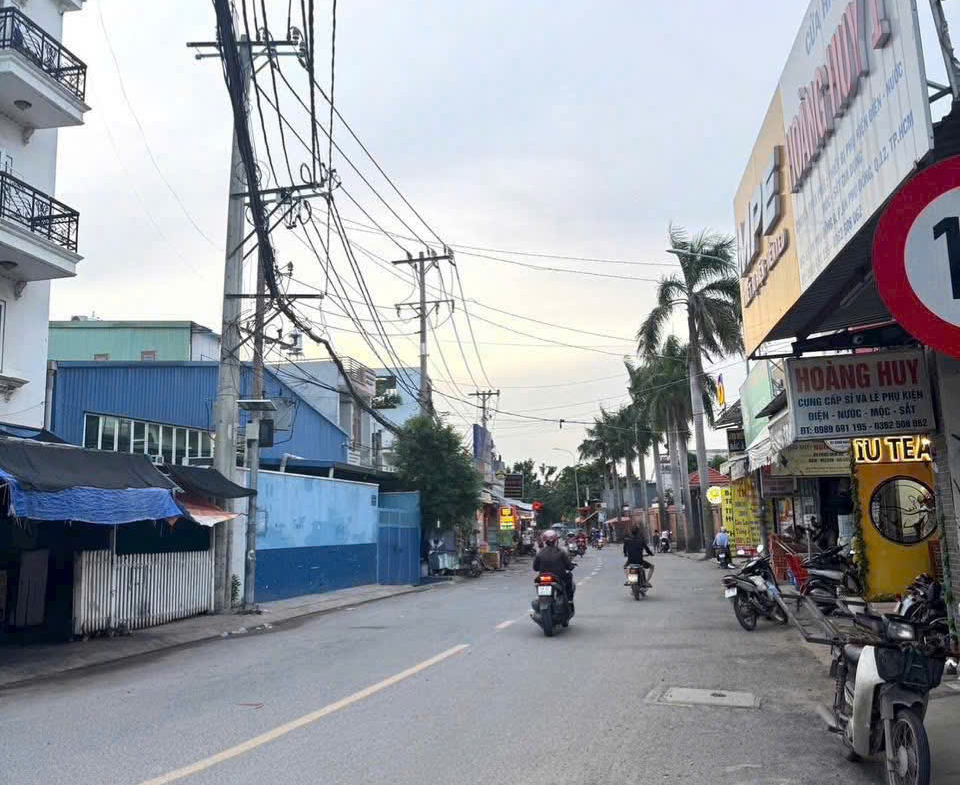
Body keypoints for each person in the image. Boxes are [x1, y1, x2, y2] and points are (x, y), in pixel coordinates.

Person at [533, 529, 575, 606]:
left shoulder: (540, 552)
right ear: (555, 540)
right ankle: (569, 600)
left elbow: (535, 568)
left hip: (542, 578)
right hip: (558, 577)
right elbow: (569, 566)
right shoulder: (561, 552)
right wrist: (571, 566)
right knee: (569, 576)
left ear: (545, 541)